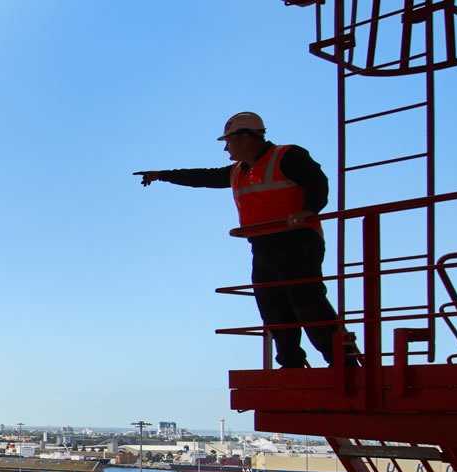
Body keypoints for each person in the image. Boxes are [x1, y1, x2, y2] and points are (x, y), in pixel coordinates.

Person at [137, 112, 354, 368]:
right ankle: (291, 365)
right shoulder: (238, 171)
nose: (226, 147)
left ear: (245, 137)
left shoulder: (287, 156)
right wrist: (161, 175)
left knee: (306, 301)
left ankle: (344, 364)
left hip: (298, 241)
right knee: (273, 306)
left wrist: (308, 210)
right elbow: (203, 177)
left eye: (228, 141)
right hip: (262, 246)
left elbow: (317, 181)